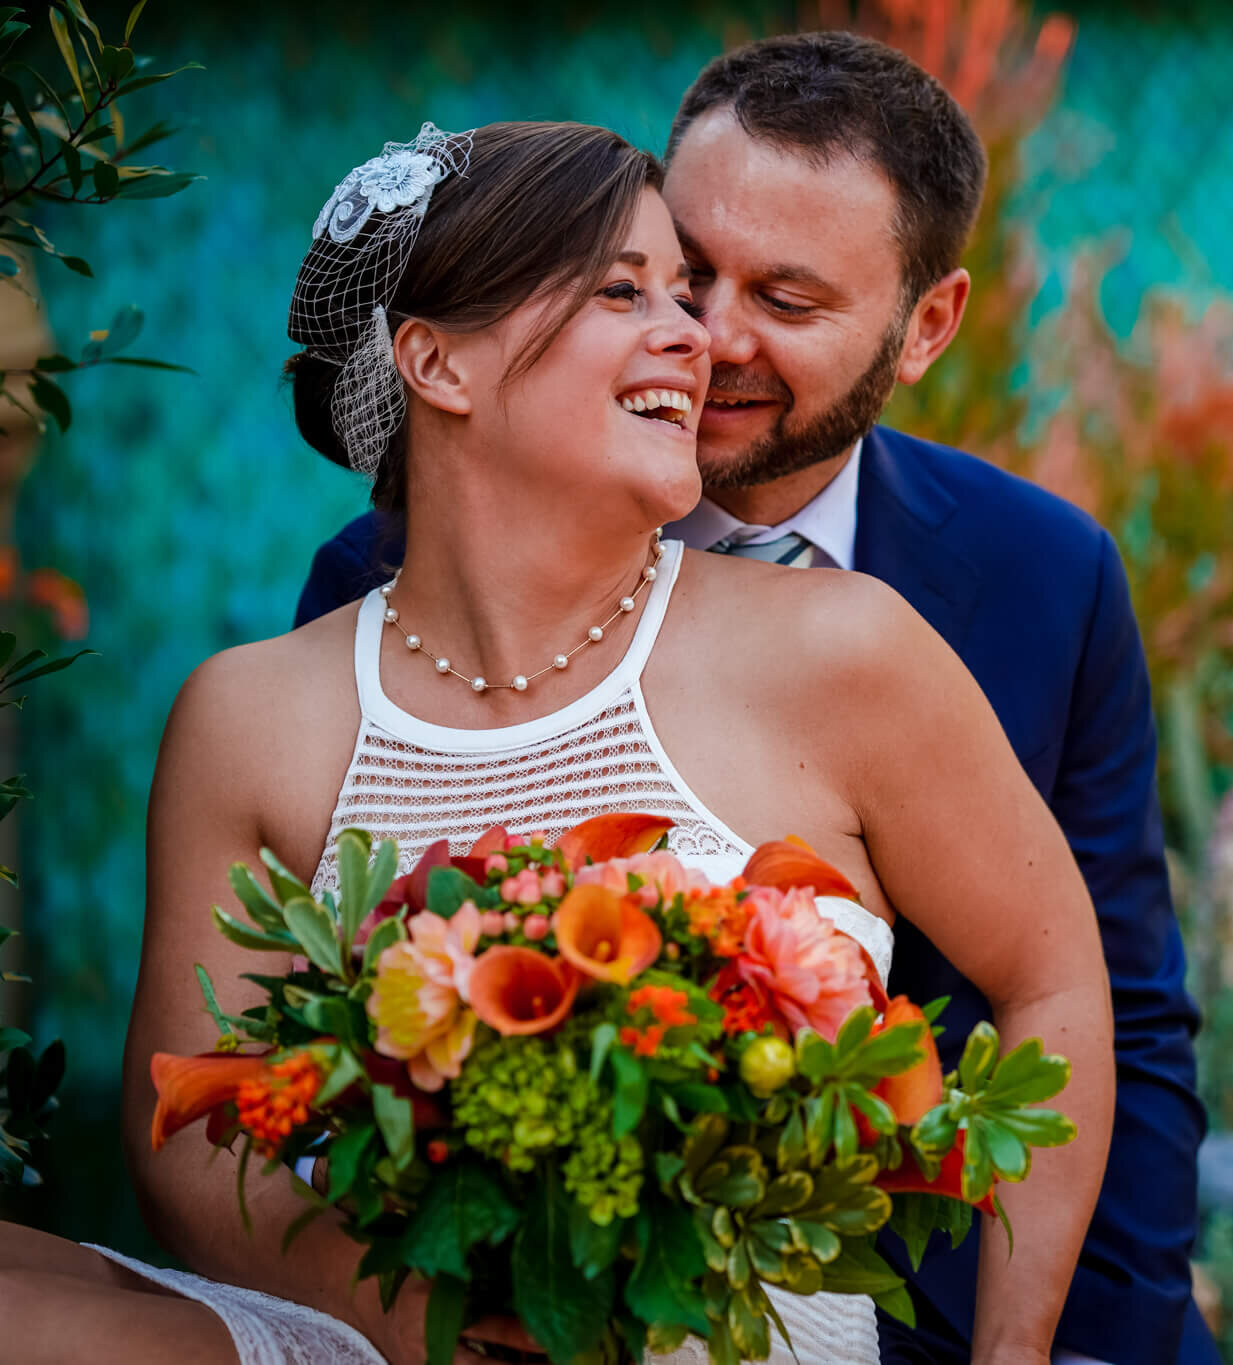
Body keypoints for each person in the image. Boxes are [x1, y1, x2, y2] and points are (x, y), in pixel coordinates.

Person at [107, 118, 1113, 1365]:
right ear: (436, 363)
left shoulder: (844, 650)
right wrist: (445, 1329)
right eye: (625, 290)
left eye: (681, 294)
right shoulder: (247, 718)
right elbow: (196, 1136)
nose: (698, 337)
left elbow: (1056, 982)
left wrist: (1008, 1357)